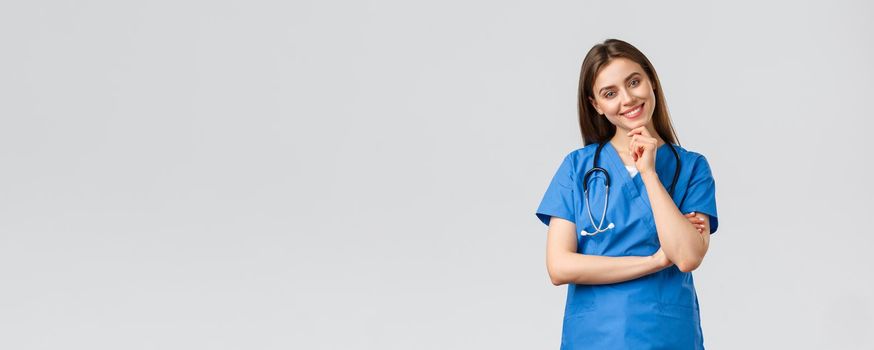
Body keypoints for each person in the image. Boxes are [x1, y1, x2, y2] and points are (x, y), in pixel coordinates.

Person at [535, 38, 719, 349]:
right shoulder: (577, 168)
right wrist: (656, 260)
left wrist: (649, 173)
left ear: (652, 82)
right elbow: (560, 266)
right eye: (610, 93)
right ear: (596, 105)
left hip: (667, 336)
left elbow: (687, 256)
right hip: (595, 337)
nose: (628, 99)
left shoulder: (691, 167)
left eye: (634, 82)